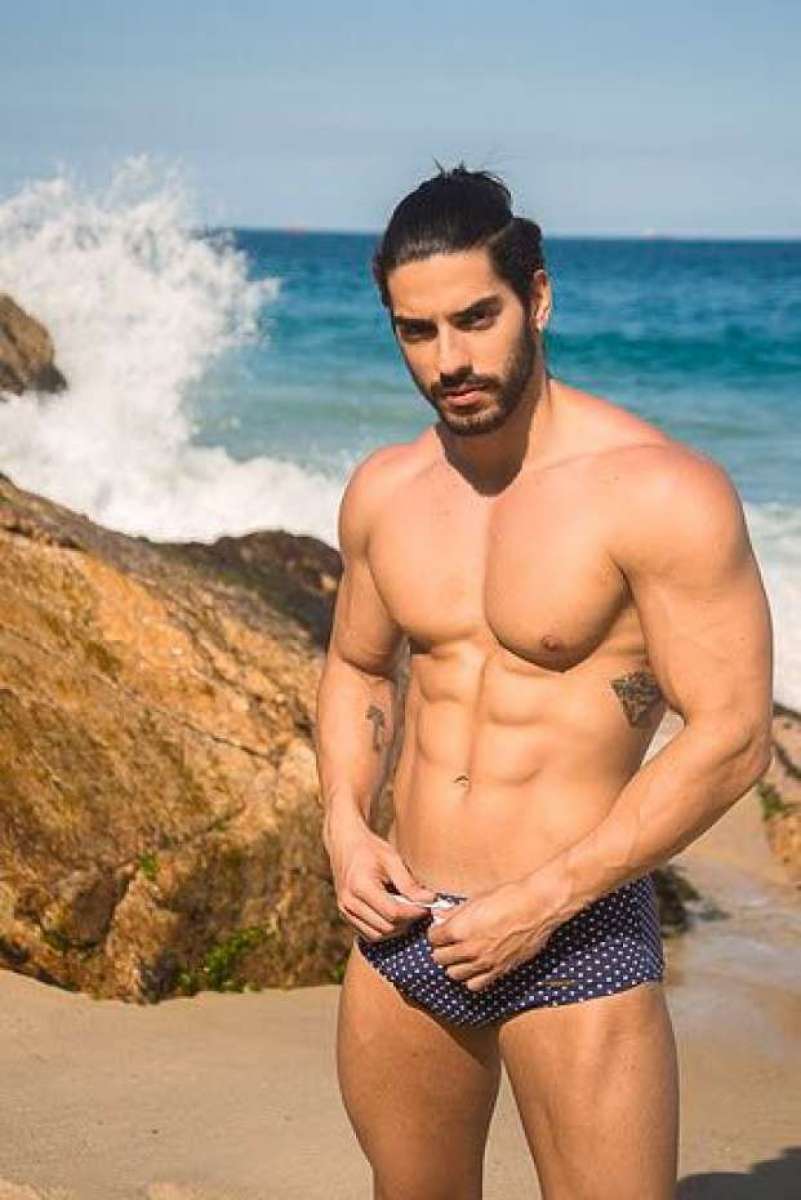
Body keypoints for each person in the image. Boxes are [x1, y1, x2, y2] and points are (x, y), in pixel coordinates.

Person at [313, 165, 773, 1200]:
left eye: (476, 318)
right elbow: (357, 666)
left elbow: (734, 734)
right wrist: (344, 824)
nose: (449, 360)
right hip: (403, 930)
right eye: (416, 331)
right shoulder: (386, 491)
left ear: (538, 296)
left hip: (574, 930)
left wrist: (541, 900)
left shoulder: (660, 493)